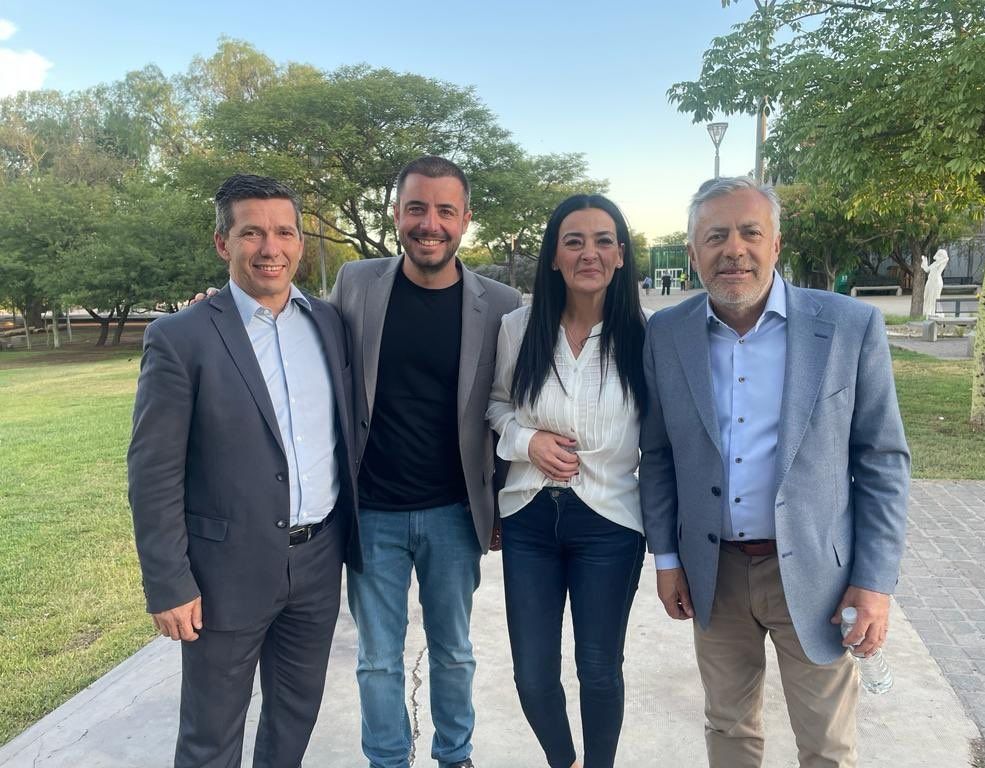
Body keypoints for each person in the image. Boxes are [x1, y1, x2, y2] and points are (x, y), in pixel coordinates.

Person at [639, 176, 910, 768]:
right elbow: (657, 454)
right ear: (693, 252)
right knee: (729, 729)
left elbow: (882, 460)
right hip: (714, 573)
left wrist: (875, 583)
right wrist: (666, 559)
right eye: (715, 236)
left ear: (776, 244)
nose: (733, 249)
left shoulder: (849, 326)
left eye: (750, 233)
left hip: (817, 577)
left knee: (826, 744)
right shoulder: (667, 332)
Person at [127, 174, 361, 768]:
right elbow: (153, 472)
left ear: (301, 243)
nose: (270, 248)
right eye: (251, 232)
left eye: (284, 232)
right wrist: (169, 581)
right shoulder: (180, 338)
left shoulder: (330, 324)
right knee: (210, 734)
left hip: (318, 561)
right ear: (222, 243)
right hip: (224, 572)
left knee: (295, 716)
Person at [329, 155, 520, 768]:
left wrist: (501, 507)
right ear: (396, 215)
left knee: (454, 652)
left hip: (454, 513)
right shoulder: (355, 283)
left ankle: (454, 754)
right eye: (416, 208)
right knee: (377, 658)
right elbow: (310, 346)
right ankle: (387, 760)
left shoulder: (502, 303)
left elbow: (510, 406)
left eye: (444, 210)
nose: (429, 223)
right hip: (372, 511)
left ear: (465, 218)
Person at [487, 194, 647, 768]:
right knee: (532, 675)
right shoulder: (518, 328)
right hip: (528, 518)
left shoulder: (644, 337)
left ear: (621, 254)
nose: (589, 253)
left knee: (599, 670)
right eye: (573, 242)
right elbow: (496, 405)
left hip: (610, 521)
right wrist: (526, 441)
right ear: (554, 257)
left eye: (603, 241)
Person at [922, 248, 950, 317]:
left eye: (939, 255)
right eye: (938, 254)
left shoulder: (942, 262)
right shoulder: (935, 263)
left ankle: (934, 312)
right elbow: (927, 269)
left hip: (936, 281)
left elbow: (946, 259)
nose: (937, 256)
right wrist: (924, 261)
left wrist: (942, 257)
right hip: (930, 281)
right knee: (927, 296)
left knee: (935, 297)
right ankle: (928, 311)